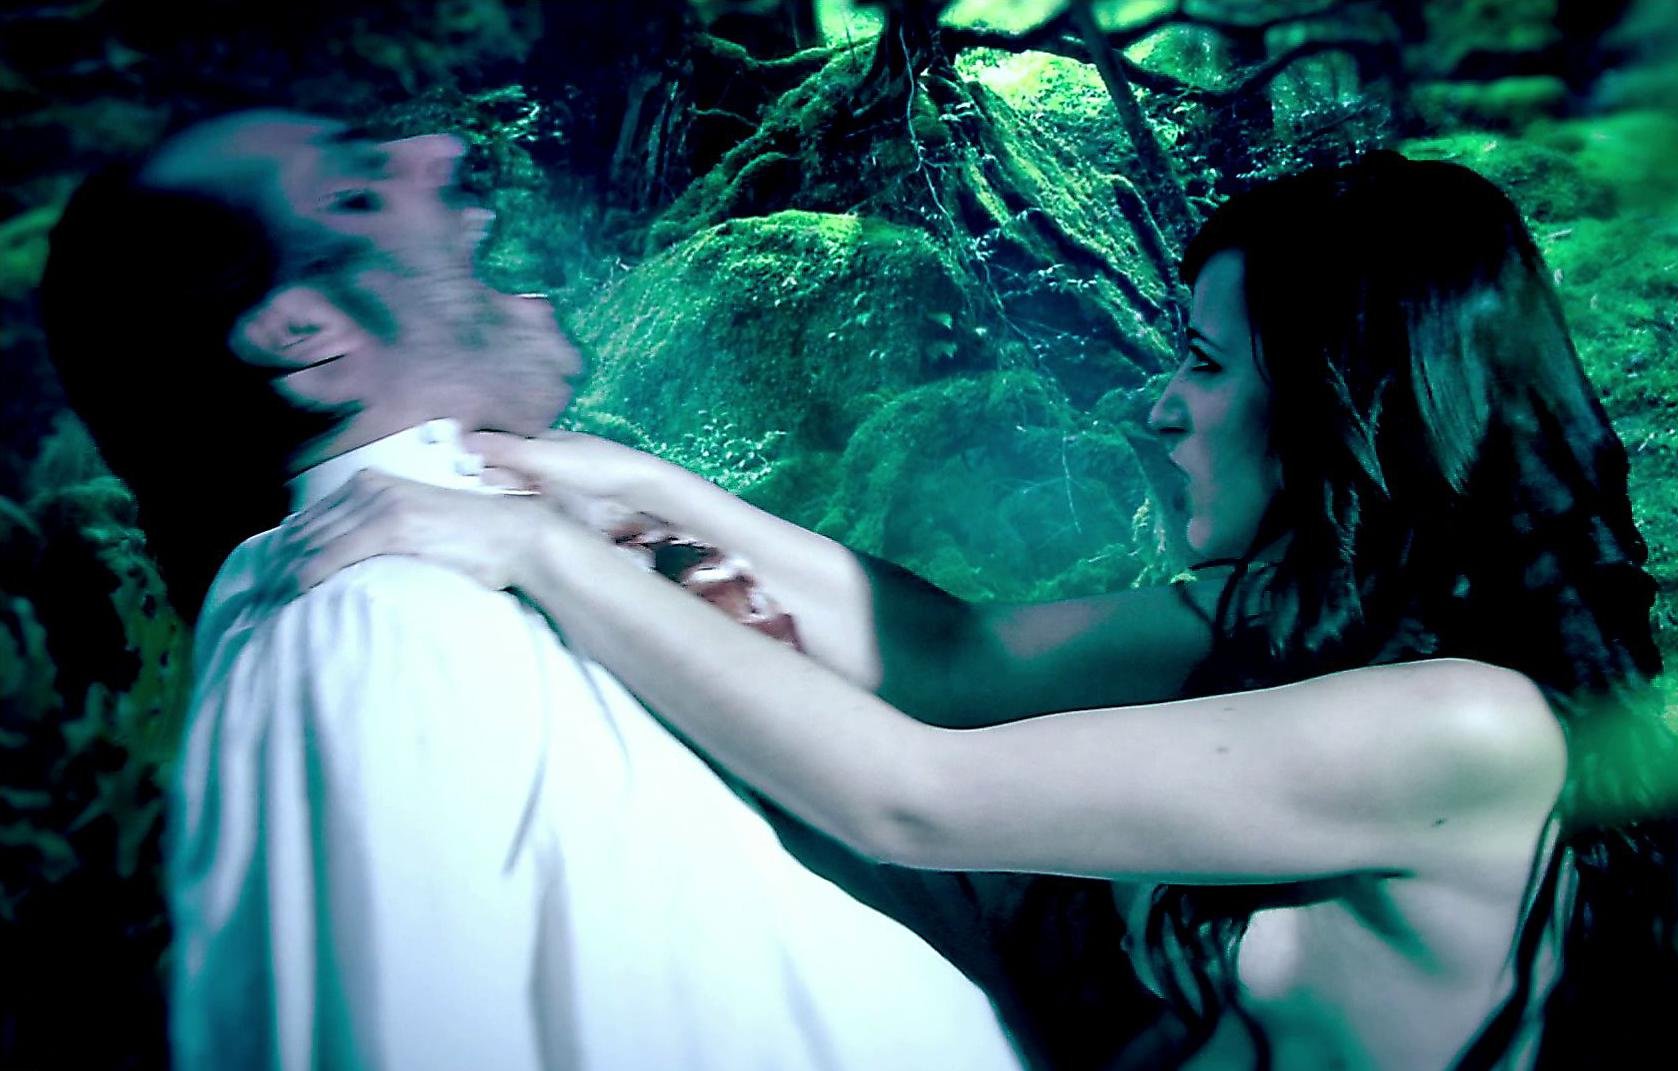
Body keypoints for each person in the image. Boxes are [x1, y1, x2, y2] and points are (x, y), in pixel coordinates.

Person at [286, 153, 1678, 1069]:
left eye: (1206, 363)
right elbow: (953, 660)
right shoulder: (1271, 615)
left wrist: (540, 551)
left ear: (1344, 402)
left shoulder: (1468, 725)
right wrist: (652, 490)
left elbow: (912, 793)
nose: (1159, 403)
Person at [37, 109, 1026, 1071]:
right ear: (307, 331)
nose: (440, 148)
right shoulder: (373, 623)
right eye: (355, 194)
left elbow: (952, 668)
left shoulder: (525, 561)